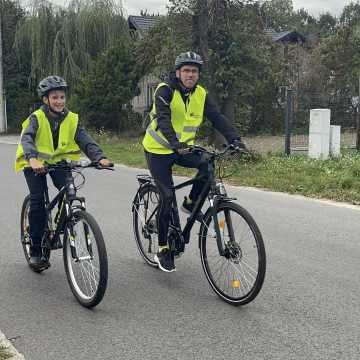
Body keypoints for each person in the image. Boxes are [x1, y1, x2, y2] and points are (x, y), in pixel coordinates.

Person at [142, 51, 246, 272]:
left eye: (195, 71)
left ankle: (191, 202)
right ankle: (162, 249)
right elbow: (163, 118)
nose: (190, 75)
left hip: (183, 148)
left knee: (207, 161)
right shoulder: (165, 90)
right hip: (159, 149)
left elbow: (217, 117)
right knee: (167, 196)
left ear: (198, 75)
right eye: (187, 70)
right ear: (178, 72)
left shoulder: (200, 94)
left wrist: (235, 139)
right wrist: (175, 142)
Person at [15, 75, 112, 270]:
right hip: (34, 164)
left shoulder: (72, 119)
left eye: (62, 97)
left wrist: (99, 157)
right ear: (46, 99)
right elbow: (27, 138)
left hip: (59, 163)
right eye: (54, 98)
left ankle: (61, 225)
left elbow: (85, 140)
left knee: (69, 191)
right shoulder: (37, 118)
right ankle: (35, 249)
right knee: (38, 201)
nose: (59, 101)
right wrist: (32, 158)